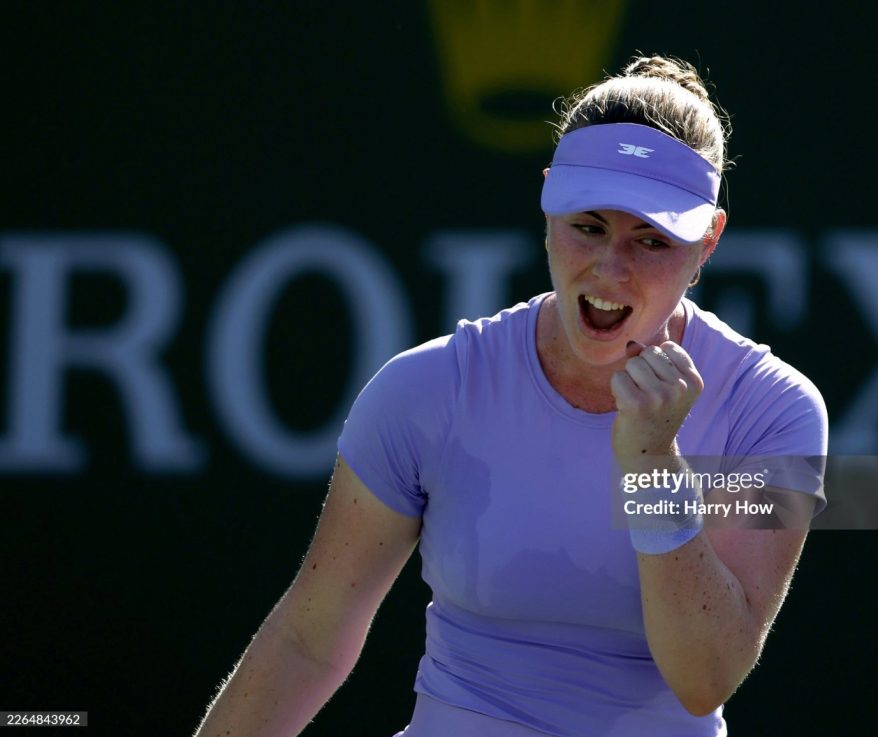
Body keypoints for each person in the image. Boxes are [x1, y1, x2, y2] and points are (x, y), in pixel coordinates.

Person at [194, 54, 828, 737]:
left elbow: (705, 678)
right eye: (588, 226)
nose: (611, 268)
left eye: (653, 240)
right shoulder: (426, 391)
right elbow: (306, 642)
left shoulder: (776, 413)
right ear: (548, 202)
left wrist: (652, 465)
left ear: (708, 241)